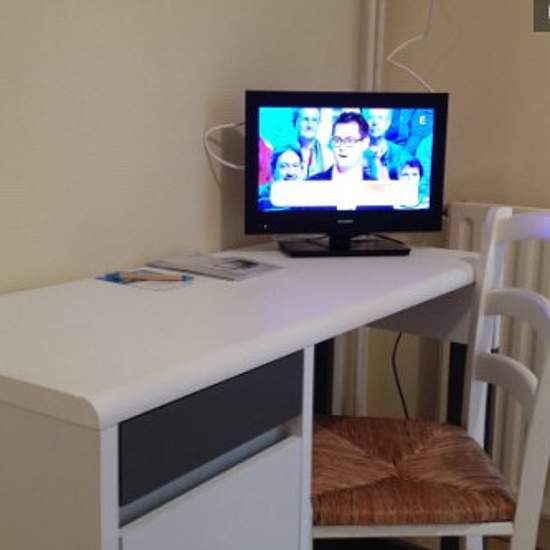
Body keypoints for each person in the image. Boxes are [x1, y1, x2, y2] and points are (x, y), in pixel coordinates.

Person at [309, 111, 375, 181]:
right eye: (337, 140)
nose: (342, 147)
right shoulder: (311, 183)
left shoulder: (376, 186)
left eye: (349, 141)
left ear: (365, 143)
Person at [363, 108, 411, 180]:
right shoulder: (357, 152)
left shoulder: (398, 154)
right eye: (370, 117)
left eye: (380, 118)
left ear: (388, 123)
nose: (375, 123)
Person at [258, 145, 304, 210]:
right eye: (284, 166)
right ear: (273, 169)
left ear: (301, 169)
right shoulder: (260, 196)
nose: (291, 173)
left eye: (295, 166)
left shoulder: (309, 198)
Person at [293, 108, 332, 178]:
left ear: (319, 124)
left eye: (314, 120)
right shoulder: (283, 153)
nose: (310, 125)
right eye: (305, 119)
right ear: (295, 122)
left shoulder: (328, 156)